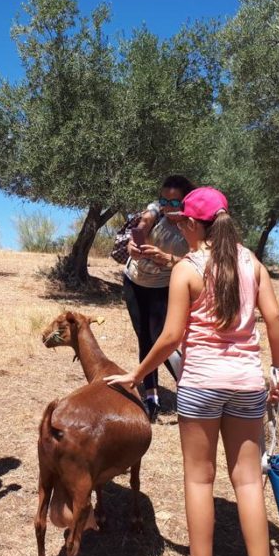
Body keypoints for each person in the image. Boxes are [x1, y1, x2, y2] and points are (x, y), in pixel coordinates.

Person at [105, 186, 279, 556]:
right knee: (247, 482)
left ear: (192, 224)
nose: (179, 229)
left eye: (180, 223)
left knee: (199, 480)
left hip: (201, 385)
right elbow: (276, 320)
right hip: (247, 385)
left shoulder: (188, 269)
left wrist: (136, 374)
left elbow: (170, 337)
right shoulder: (251, 263)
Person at [122, 175, 194, 421]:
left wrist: (166, 259)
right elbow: (145, 220)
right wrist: (135, 241)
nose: (167, 206)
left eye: (175, 202)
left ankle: (188, 390)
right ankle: (151, 396)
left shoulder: (193, 226)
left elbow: (197, 264)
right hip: (134, 281)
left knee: (163, 340)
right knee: (143, 336)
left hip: (163, 285)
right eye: (165, 200)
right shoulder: (156, 211)